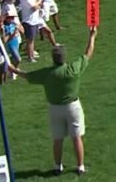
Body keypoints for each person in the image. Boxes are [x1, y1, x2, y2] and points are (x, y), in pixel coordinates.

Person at [12, 27, 97, 175]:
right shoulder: (73, 70)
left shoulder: (47, 74)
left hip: (55, 109)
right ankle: (80, 166)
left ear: (53, 58)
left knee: (58, 139)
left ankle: (58, 166)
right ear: (64, 58)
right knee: (76, 137)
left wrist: (13, 70)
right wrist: (92, 36)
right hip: (73, 107)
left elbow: (27, 76)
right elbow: (88, 53)